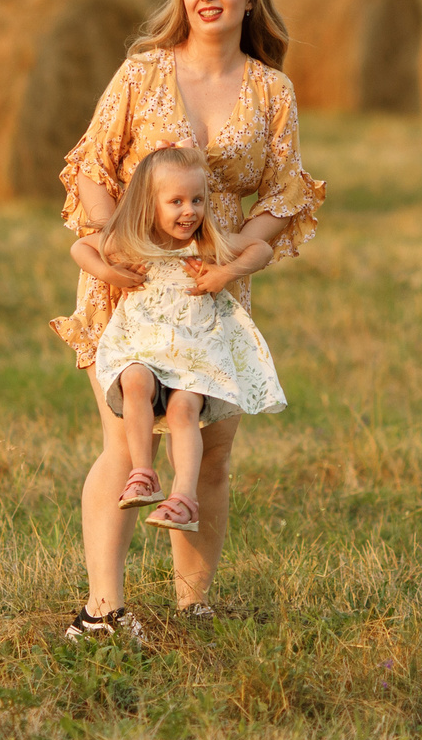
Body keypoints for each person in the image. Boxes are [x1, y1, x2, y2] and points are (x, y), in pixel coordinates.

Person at [54, 0, 324, 645]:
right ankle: (102, 612)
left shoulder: (271, 89)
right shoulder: (143, 72)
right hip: (131, 282)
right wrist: (114, 245)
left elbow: (285, 192)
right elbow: (91, 164)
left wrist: (230, 258)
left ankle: (192, 608)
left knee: (212, 451)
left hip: (213, 291)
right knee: (125, 442)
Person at [78, 145, 287, 537]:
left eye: (197, 200)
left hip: (194, 352)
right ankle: (143, 474)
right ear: (148, 203)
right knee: (134, 381)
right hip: (143, 345)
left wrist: (225, 274)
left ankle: (184, 498)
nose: (189, 211)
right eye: (176, 201)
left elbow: (260, 249)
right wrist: (112, 274)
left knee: (183, 409)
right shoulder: (133, 242)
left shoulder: (205, 245)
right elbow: (81, 247)